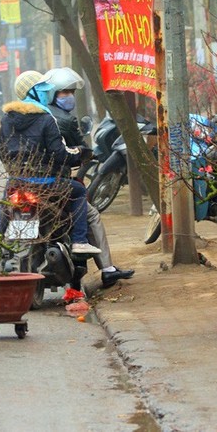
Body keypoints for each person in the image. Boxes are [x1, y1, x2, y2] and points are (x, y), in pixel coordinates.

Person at [44, 67, 135, 288]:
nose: (69, 97)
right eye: (64, 92)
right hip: (55, 183)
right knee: (91, 214)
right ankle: (106, 268)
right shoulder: (64, 120)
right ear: (52, 94)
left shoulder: (28, 116)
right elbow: (81, 151)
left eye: (70, 92)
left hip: (23, 181)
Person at [0, 70, 102, 256]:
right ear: (34, 92)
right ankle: (79, 241)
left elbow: (0, 150)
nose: (48, 94)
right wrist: (78, 153)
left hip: (18, 182)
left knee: (5, 204)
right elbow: (59, 153)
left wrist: (16, 170)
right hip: (47, 184)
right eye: (44, 91)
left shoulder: (7, 118)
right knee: (78, 192)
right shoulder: (46, 118)